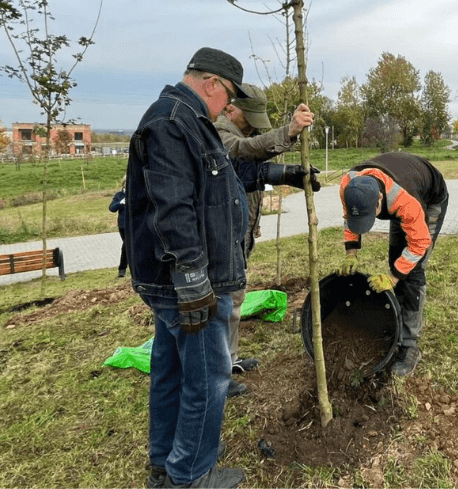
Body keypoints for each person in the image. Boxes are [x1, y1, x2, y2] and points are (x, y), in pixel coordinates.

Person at [125, 47, 318, 489]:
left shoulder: (190, 121)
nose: (229, 106)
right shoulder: (173, 123)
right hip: (189, 282)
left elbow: (222, 178)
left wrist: (285, 175)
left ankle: (166, 463)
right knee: (210, 375)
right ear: (211, 83)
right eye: (227, 94)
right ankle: (191, 474)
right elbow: (172, 208)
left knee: (172, 369)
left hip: (179, 279)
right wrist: (192, 279)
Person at [215, 83, 314, 397]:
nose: (252, 126)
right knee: (223, 305)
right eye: (250, 118)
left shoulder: (237, 131)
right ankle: (218, 374)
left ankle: (229, 361)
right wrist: (290, 131)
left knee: (234, 302)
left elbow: (252, 173)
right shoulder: (219, 132)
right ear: (232, 107)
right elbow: (247, 155)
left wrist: (291, 175)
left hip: (237, 235)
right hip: (221, 237)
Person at [337, 152, 448, 377]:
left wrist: (394, 276)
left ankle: (409, 345)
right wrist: (350, 254)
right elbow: (350, 220)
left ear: (379, 198)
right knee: (395, 259)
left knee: (411, 271)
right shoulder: (349, 186)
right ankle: (394, 322)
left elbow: (418, 244)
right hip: (402, 186)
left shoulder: (405, 200)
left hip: (429, 198)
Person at [108, 177, 128, 279]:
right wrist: (120, 203)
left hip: (135, 225)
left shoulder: (136, 193)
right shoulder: (119, 195)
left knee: (131, 246)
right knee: (127, 245)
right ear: (124, 184)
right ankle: (122, 269)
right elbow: (112, 208)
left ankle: (123, 269)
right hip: (124, 225)